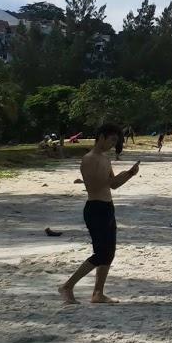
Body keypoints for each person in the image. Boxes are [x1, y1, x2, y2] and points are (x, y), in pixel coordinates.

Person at [59, 124, 139, 304]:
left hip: (108, 207)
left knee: (109, 253)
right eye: (112, 140)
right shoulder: (89, 159)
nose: (113, 144)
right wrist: (113, 178)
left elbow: (113, 185)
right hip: (95, 208)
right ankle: (67, 286)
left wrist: (130, 174)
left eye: (116, 141)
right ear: (101, 137)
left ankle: (98, 293)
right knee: (101, 254)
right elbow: (95, 186)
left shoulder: (105, 159)